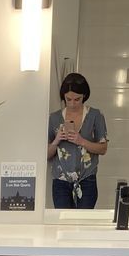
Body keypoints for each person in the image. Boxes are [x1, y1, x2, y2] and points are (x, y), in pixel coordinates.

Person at [48, 73, 108, 209]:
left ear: (84, 96)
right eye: (68, 99)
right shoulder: (54, 118)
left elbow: (103, 149)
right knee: (62, 223)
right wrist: (57, 140)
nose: (72, 103)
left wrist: (81, 141)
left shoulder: (95, 116)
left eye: (77, 99)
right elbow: (46, 154)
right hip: (60, 181)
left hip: (87, 179)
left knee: (83, 223)